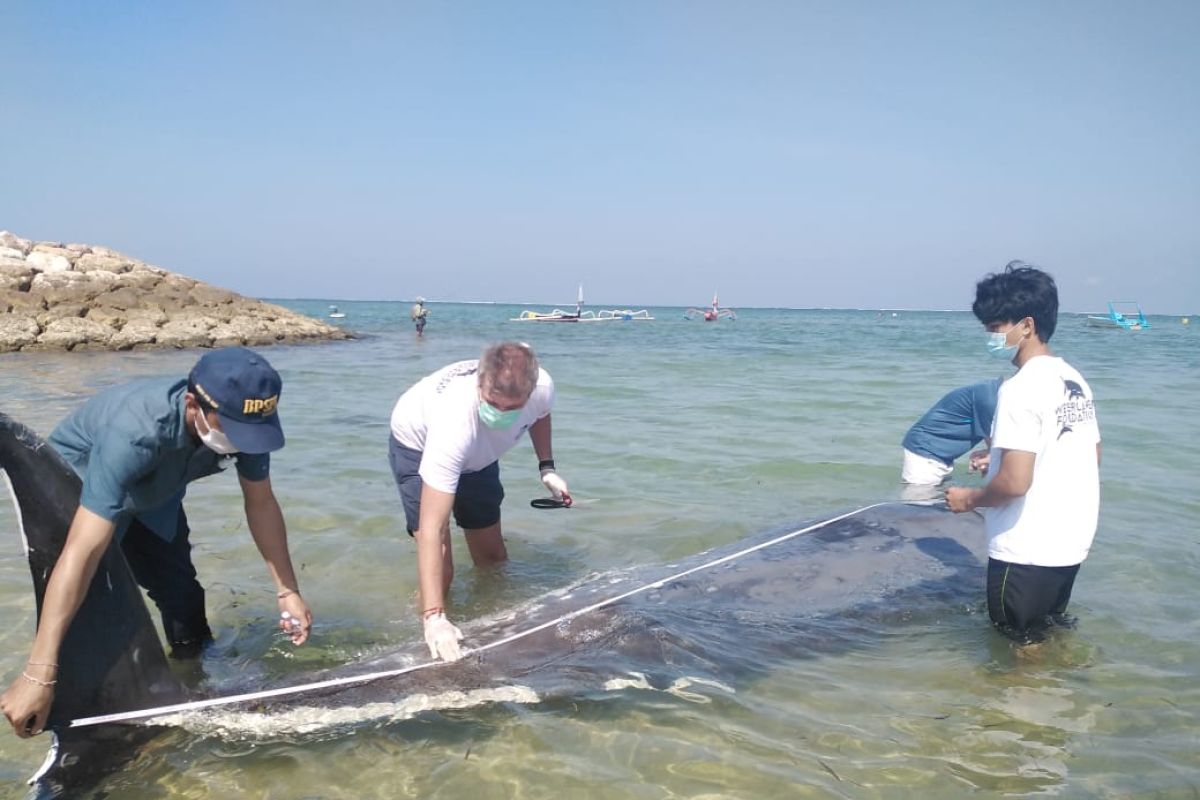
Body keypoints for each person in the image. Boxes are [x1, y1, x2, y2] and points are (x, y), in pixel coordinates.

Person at [1, 347, 312, 738]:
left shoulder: (247, 423)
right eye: (232, 429)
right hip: (84, 490)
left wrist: (287, 590)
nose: (243, 442)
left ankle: (184, 687)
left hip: (156, 494)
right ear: (191, 404)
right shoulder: (135, 432)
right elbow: (82, 548)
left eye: (251, 433)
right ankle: (66, 705)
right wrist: (39, 673)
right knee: (90, 608)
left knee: (183, 599)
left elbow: (261, 503)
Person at [388, 341, 571, 663]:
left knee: (493, 556)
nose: (500, 414)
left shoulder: (542, 387)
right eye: (492, 403)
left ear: (529, 392)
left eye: (511, 408)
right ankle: (427, 635)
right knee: (441, 567)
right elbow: (432, 527)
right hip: (418, 443)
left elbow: (541, 414)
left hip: (480, 456)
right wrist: (434, 617)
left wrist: (547, 468)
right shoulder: (454, 422)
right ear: (480, 385)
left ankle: (492, 624)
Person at [946, 262, 1101, 642]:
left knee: (1016, 650)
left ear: (1026, 326)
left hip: (1026, 548)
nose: (989, 335)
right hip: (1070, 542)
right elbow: (1087, 454)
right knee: (1046, 637)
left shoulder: (1019, 388)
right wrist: (994, 460)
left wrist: (970, 499)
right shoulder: (1071, 378)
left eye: (995, 327)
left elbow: (1015, 483)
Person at [901, 378, 1003, 493]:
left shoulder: (994, 391)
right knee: (918, 505)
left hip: (942, 455)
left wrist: (989, 455)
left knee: (937, 502)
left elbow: (997, 448)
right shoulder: (990, 399)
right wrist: (991, 457)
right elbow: (998, 451)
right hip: (925, 452)